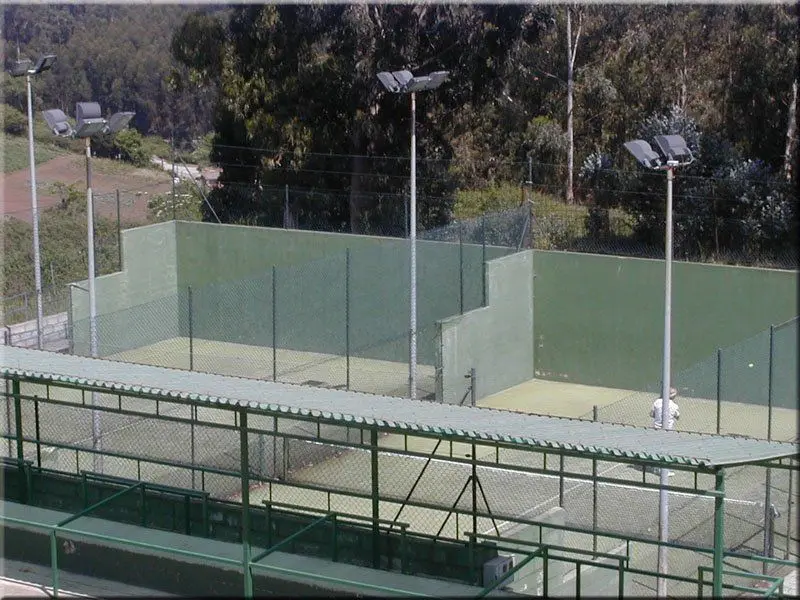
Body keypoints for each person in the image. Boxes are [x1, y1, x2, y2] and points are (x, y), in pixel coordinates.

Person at [649, 387, 680, 477]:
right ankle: (663, 470)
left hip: (656, 428)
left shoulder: (657, 402)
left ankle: (655, 467)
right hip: (667, 431)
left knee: (657, 448)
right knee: (665, 450)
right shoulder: (674, 406)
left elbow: (651, 414)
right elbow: (677, 416)